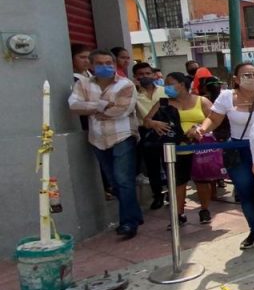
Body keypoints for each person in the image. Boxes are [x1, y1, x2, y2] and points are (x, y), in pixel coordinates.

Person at [193, 63, 254, 250]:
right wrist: (202, 129)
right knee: (246, 192)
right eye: (246, 75)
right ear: (235, 79)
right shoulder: (227, 97)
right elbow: (213, 118)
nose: (252, 78)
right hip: (239, 151)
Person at [68, 49, 143, 238]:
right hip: (97, 138)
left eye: (109, 63)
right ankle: (134, 213)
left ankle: (128, 223)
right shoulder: (83, 84)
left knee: (124, 179)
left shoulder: (125, 85)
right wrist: (102, 105)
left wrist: (91, 108)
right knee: (113, 181)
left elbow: (122, 110)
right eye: (100, 63)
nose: (105, 67)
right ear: (92, 66)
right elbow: (74, 105)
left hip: (122, 136)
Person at [144, 72, 216, 228]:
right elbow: (146, 121)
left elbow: (215, 119)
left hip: (199, 148)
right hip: (174, 149)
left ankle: (204, 209)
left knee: (202, 181)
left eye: (169, 83)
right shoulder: (163, 103)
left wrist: (199, 128)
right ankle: (178, 215)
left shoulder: (201, 101)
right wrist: (155, 123)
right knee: (178, 183)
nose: (166, 87)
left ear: (182, 84)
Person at [133, 62, 168, 210]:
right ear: (135, 77)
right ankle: (157, 196)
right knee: (152, 167)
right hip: (146, 133)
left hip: (166, 130)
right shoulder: (133, 95)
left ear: (154, 75)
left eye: (148, 73)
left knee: (169, 164)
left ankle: (174, 195)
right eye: (141, 74)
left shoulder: (165, 91)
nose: (145, 77)